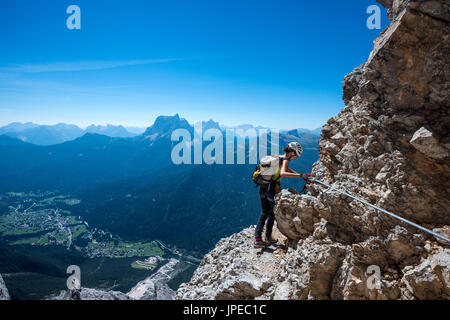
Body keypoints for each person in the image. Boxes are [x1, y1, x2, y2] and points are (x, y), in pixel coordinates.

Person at [254, 142, 314, 247]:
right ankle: (268, 237)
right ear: (292, 153)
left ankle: (258, 239)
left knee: (264, 212)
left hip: (263, 187)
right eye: (296, 155)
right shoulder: (285, 159)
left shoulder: (279, 157)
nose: (296, 158)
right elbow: (283, 173)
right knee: (272, 214)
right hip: (271, 190)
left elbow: (286, 169)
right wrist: (300, 175)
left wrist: (301, 176)